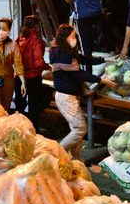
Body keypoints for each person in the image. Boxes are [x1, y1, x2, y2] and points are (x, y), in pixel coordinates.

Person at [50, 24, 117, 159]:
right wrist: (103, 81)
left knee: (76, 129)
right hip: (65, 97)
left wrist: (107, 59)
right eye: (73, 36)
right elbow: (80, 74)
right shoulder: (62, 55)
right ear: (65, 38)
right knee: (80, 129)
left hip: (70, 96)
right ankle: (56, 154)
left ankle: (75, 160)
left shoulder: (66, 52)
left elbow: (85, 59)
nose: (75, 39)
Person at [65, 0, 115, 72]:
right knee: (106, 29)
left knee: (86, 47)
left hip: (82, 15)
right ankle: (113, 49)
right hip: (97, 13)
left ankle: (88, 73)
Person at [14, 15, 52, 132]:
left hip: (19, 76)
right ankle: (33, 130)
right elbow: (38, 62)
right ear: (36, 26)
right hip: (33, 77)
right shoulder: (37, 40)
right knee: (33, 105)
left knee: (19, 104)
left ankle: (19, 128)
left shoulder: (18, 39)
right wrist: (48, 67)